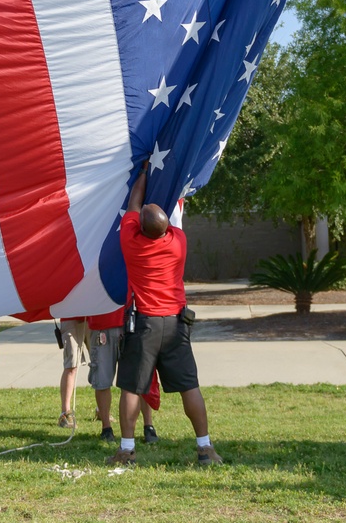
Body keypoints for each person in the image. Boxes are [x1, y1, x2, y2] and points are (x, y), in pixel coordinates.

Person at [107, 161, 222, 467]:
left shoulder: (130, 242)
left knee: (131, 387)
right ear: (167, 230)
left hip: (143, 324)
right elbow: (167, 217)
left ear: (138, 228)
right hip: (175, 325)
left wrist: (144, 172)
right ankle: (205, 447)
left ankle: (127, 450)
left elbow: (134, 202)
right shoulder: (178, 244)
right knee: (189, 386)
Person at [85, 307, 158, 444]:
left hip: (131, 323)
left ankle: (148, 426)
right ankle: (106, 428)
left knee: (139, 378)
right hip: (101, 326)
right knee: (102, 380)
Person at [56, 317, 88, 428]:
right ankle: (65, 413)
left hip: (94, 316)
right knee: (71, 366)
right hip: (70, 316)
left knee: (100, 364)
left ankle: (102, 411)